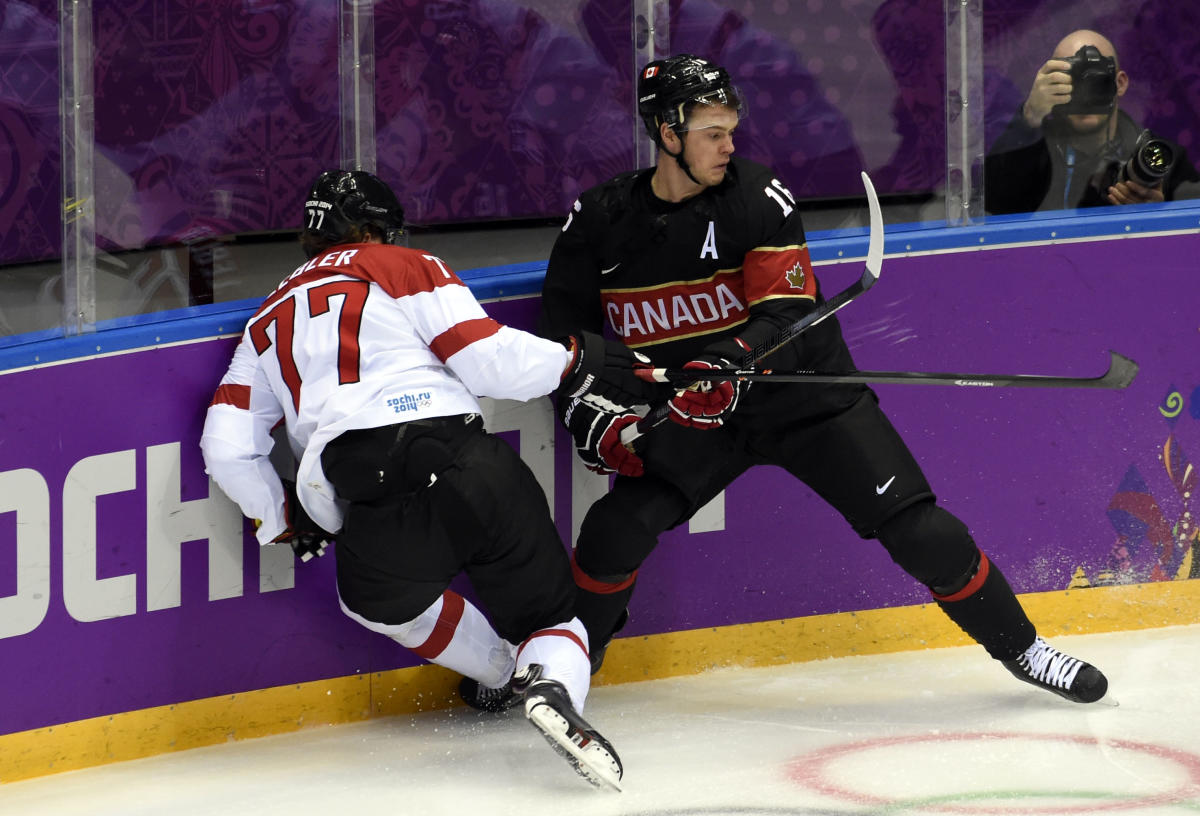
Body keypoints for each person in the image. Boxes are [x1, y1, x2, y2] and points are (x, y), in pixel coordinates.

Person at [535, 54, 1109, 705]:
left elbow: (786, 311)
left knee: (921, 531)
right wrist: (595, 416)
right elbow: (567, 344)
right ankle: (572, 662)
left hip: (801, 396)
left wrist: (730, 360)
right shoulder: (599, 220)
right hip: (698, 414)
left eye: (732, 127)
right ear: (667, 134)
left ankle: (1024, 648)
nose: (730, 144)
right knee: (614, 531)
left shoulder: (757, 198)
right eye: (712, 131)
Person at [199, 169, 655, 790]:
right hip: (466, 463)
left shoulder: (263, 323)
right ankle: (546, 681)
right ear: (373, 229)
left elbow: (226, 448)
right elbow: (485, 360)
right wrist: (577, 361)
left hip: (368, 495)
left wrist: (280, 518)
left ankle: (499, 675)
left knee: (374, 599)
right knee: (553, 620)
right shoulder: (401, 263)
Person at [985, 29, 1200, 215]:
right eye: (1072, 79)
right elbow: (992, 207)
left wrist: (1160, 216)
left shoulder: (1157, 160)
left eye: (1096, 79)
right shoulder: (1031, 153)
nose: (1085, 93)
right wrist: (1030, 117)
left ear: (1121, 84)